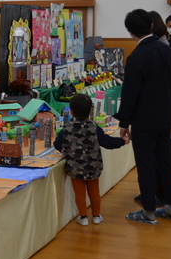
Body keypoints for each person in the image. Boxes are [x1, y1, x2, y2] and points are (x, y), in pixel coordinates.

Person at [114, 9, 171, 225]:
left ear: (129, 31)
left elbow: (130, 94)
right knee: (165, 163)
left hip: (144, 120)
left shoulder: (137, 56)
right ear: (151, 26)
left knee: (146, 165)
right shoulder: (166, 50)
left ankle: (149, 212)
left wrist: (124, 122)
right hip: (166, 117)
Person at [54, 94, 128, 226]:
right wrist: (122, 141)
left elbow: (57, 144)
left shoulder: (67, 128)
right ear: (90, 111)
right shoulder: (94, 126)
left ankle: (83, 217)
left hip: (75, 168)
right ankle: (96, 216)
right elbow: (107, 142)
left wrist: (68, 150)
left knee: (79, 194)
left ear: (71, 112)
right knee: (94, 192)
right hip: (94, 167)